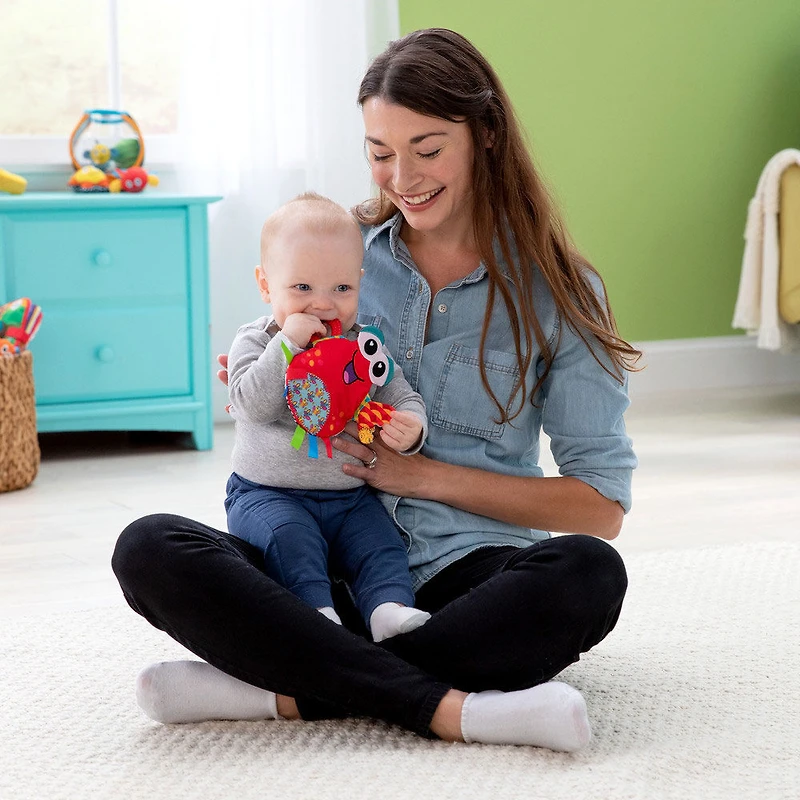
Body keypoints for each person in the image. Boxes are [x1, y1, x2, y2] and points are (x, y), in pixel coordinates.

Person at [112, 27, 640, 752]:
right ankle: (453, 707)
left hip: (462, 579)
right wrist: (250, 371)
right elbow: (266, 346)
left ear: (485, 134)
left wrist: (420, 475)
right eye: (380, 152)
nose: (402, 177)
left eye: (427, 149)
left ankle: (282, 691)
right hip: (309, 574)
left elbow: (599, 507)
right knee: (148, 548)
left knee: (588, 573)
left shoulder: (561, 292)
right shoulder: (338, 251)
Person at [224, 192, 431, 643]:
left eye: (341, 289)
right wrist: (288, 346)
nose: (322, 305)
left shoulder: (362, 347)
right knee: (290, 540)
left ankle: (388, 611)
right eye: (302, 288)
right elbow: (253, 404)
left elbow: (400, 393)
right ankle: (318, 616)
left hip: (349, 499)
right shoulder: (257, 342)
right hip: (267, 493)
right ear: (265, 285)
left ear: (361, 282)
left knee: (382, 545)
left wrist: (411, 428)